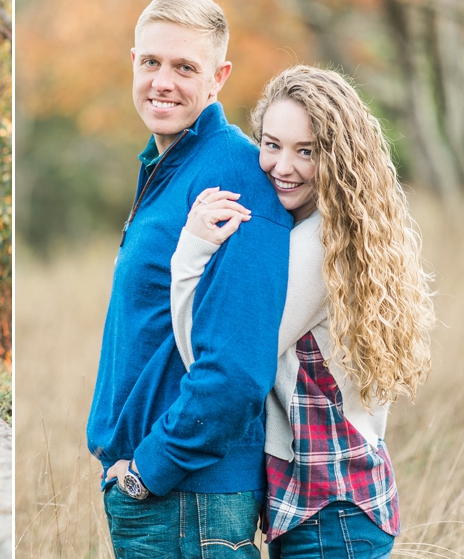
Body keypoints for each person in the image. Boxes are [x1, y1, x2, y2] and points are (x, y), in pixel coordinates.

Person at [170, 65, 434, 558]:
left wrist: (191, 254)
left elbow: (219, 362)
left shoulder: (317, 245)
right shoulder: (348, 231)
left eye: (306, 151)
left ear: (338, 158)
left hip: (330, 517)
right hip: (343, 503)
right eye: (271, 145)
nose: (280, 166)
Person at [85, 0, 295, 558]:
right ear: (133, 61)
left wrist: (149, 470)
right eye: (151, 62)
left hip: (188, 500)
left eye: (185, 67)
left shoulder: (234, 174)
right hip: (161, 499)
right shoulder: (164, 166)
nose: (163, 81)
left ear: (218, 77)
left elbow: (238, 367)